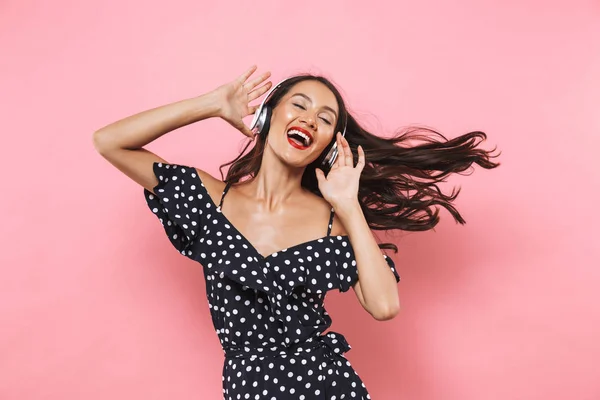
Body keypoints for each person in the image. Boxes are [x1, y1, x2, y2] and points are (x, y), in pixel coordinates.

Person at [93, 65, 500, 399]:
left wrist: (348, 205)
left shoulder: (331, 221)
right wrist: (212, 104)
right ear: (269, 114)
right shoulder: (208, 202)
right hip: (247, 388)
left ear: (327, 143)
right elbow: (110, 142)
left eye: (325, 119)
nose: (309, 118)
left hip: (327, 387)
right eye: (299, 105)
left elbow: (384, 306)